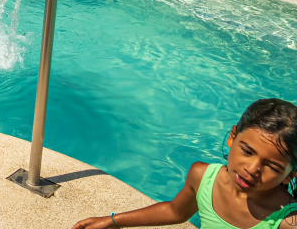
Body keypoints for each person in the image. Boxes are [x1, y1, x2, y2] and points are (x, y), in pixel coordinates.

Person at [71, 98, 297, 229]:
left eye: (273, 167)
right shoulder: (203, 177)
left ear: (290, 175)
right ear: (232, 137)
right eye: (247, 151)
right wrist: (113, 221)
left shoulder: (287, 221)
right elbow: (175, 211)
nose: (252, 169)